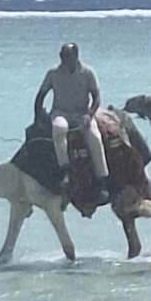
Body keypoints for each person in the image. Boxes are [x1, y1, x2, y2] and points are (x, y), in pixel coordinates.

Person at [34, 42, 110, 204]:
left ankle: (102, 180)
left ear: (76, 56)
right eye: (62, 56)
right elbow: (41, 95)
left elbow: (96, 97)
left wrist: (89, 115)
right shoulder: (53, 74)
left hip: (82, 113)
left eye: (68, 56)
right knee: (59, 128)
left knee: (94, 137)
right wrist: (38, 117)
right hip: (61, 112)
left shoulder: (88, 72)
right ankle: (65, 170)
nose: (64, 59)